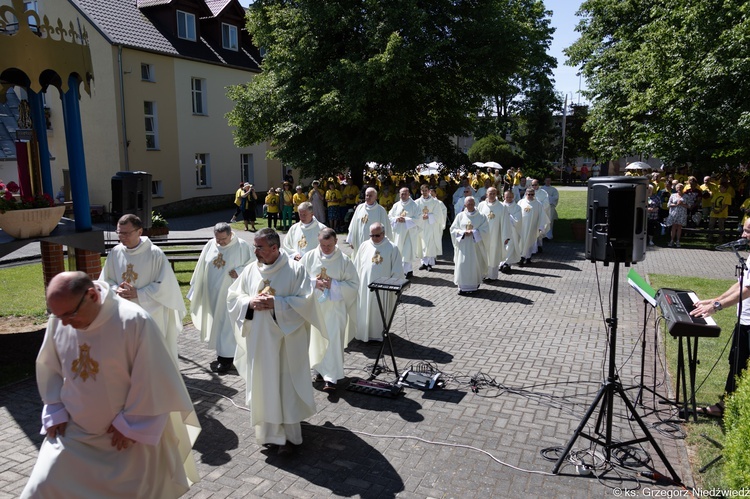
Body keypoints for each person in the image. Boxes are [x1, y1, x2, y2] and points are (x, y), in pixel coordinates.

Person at [21, 272, 200, 498]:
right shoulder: (60, 319)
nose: (64, 323)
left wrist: (131, 424)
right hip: (73, 434)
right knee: (41, 488)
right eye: (57, 316)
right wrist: (55, 408)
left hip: (123, 439)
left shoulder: (135, 321)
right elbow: (49, 365)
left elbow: (154, 379)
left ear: (92, 296)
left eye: (69, 314)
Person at [227, 229, 319, 454]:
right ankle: (269, 433)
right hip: (259, 342)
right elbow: (233, 297)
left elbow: (306, 303)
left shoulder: (295, 270)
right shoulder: (250, 270)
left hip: (286, 343)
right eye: (255, 246)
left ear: (274, 248)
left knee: (284, 386)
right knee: (264, 385)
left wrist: (276, 304)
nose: (254, 250)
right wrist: (249, 303)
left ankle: (288, 437)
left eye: (259, 247)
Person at [99, 214, 185, 362]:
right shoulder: (115, 252)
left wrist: (138, 293)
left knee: (149, 354)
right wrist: (115, 289)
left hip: (150, 312)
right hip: (123, 311)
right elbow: (106, 279)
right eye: (119, 232)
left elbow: (165, 286)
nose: (122, 237)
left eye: (126, 233)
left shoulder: (154, 253)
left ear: (139, 232)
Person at [690, 220, 750, 418]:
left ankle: (729, 408)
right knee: (736, 362)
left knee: (741, 365)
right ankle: (727, 405)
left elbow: (748, 290)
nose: (743, 235)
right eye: (743, 230)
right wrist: (716, 299)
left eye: (748, 231)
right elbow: (741, 283)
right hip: (744, 320)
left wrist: (717, 307)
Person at [188, 222, 255, 374]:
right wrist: (195, 288)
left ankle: (226, 360)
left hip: (232, 295)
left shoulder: (242, 246)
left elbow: (253, 266)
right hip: (213, 294)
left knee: (228, 324)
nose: (220, 242)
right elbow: (201, 267)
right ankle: (223, 354)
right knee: (218, 323)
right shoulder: (211, 245)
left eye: (223, 239)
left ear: (231, 234)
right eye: (217, 239)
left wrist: (239, 270)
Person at [301, 228, 359, 391]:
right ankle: (319, 371)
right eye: (322, 244)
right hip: (315, 309)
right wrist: (314, 283)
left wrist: (334, 284)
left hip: (335, 309)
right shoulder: (309, 257)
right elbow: (298, 278)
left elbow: (354, 285)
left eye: (329, 244)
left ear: (335, 242)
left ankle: (331, 378)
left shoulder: (344, 261)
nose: (326, 248)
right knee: (316, 340)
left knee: (333, 341)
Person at [352, 222, 403, 342]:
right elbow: (356, 266)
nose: (374, 238)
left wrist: (394, 287)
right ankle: (364, 334)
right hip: (365, 287)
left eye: (377, 235)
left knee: (379, 312)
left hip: (383, 289)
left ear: (384, 234)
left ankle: (379, 335)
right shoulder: (364, 245)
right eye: (372, 235)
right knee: (364, 310)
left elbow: (397, 270)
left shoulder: (392, 248)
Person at [450, 196, 488, 295]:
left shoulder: (481, 216)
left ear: (475, 204)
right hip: (463, 246)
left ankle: (473, 286)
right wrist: (462, 233)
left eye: (472, 203)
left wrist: (474, 232)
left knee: (474, 265)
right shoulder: (460, 216)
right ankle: (462, 287)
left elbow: (485, 230)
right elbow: (453, 229)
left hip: (475, 247)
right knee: (462, 264)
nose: (470, 205)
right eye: (468, 204)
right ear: (465, 205)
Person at [346, 187, 392, 257]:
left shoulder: (381, 210)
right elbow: (353, 225)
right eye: (366, 195)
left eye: (370, 196)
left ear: (376, 197)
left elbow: (386, 228)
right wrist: (351, 240)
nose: (368, 197)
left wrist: (385, 243)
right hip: (360, 241)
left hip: (375, 242)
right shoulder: (359, 208)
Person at [388, 187, 422, 279]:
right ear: (399, 194)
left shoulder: (414, 205)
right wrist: (396, 219)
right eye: (402, 194)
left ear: (409, 194)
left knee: (407, 252)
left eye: (405, 194)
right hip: (398, 233)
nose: (403, 196)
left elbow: (419, 218)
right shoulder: (396, 205)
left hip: (409, 233)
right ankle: (409, 271)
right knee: (399, 251)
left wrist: (406, 220)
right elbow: (390, 216)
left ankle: (405, 272)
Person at [477, 187, 505, 281]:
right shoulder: (481, 205)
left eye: (494, 193)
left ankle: (492, 276)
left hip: (496, 235)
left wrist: (505, 236)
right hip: (483, 236)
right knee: (483, 254)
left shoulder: (501, 206)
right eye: (490, 193)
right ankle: (483, 274)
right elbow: (477, 219)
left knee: (493, 255)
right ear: (486, 194)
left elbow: (505, 223)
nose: (492, 195)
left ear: (496, 194)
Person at [516, 188, 549, 267]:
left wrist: (541, 227)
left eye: (532, 194)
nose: (530, 196)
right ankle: (521, 257)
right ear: (526, 194)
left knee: (530, 242)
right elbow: (516, 213)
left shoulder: (538, 204)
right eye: (529, 194)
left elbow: (542, 216)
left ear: (534, 194)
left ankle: (528, 258)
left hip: (532, 226)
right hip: (522, 226)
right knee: (522, 242)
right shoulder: (521, 202)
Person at [415, 184, 445, 272]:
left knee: (430, 245)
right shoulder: (417, 202)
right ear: (421, 191)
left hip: (431, 226)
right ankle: (424, 263)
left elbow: (438, 214)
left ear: (429, 191)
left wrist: (428, 216)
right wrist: (421, 217)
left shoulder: (435, 202)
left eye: (426, 190)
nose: (424, 192)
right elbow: (415, 214)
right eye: (422, 191)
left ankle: (429, 264)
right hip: (421, 226)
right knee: (422, 245)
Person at [499, 189, 521, 274]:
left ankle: (507, 264)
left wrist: (508, 216)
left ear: (513, 197)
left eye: (510, 197)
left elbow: (518, 220)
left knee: (510, 247)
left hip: (512, 231)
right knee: (502, 246)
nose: (508, 198)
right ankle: (501, 263)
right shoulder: (500, 206)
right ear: (504, 197)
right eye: (506, 197)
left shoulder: (517, 207)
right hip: (501, 230)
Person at [665, 182, 688, 247]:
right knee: (673, 227)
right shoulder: (673, 195)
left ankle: (678, 241)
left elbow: (689, 205)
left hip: (682, 214)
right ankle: (672, 240)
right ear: (676, 188)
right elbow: (668, 205)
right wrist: (676, 204)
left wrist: (682, 204)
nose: (679, 189)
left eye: (681, 188)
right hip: (673, 213)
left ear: (683, 188)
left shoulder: (686, 196)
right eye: (678, 188)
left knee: (679, 227)